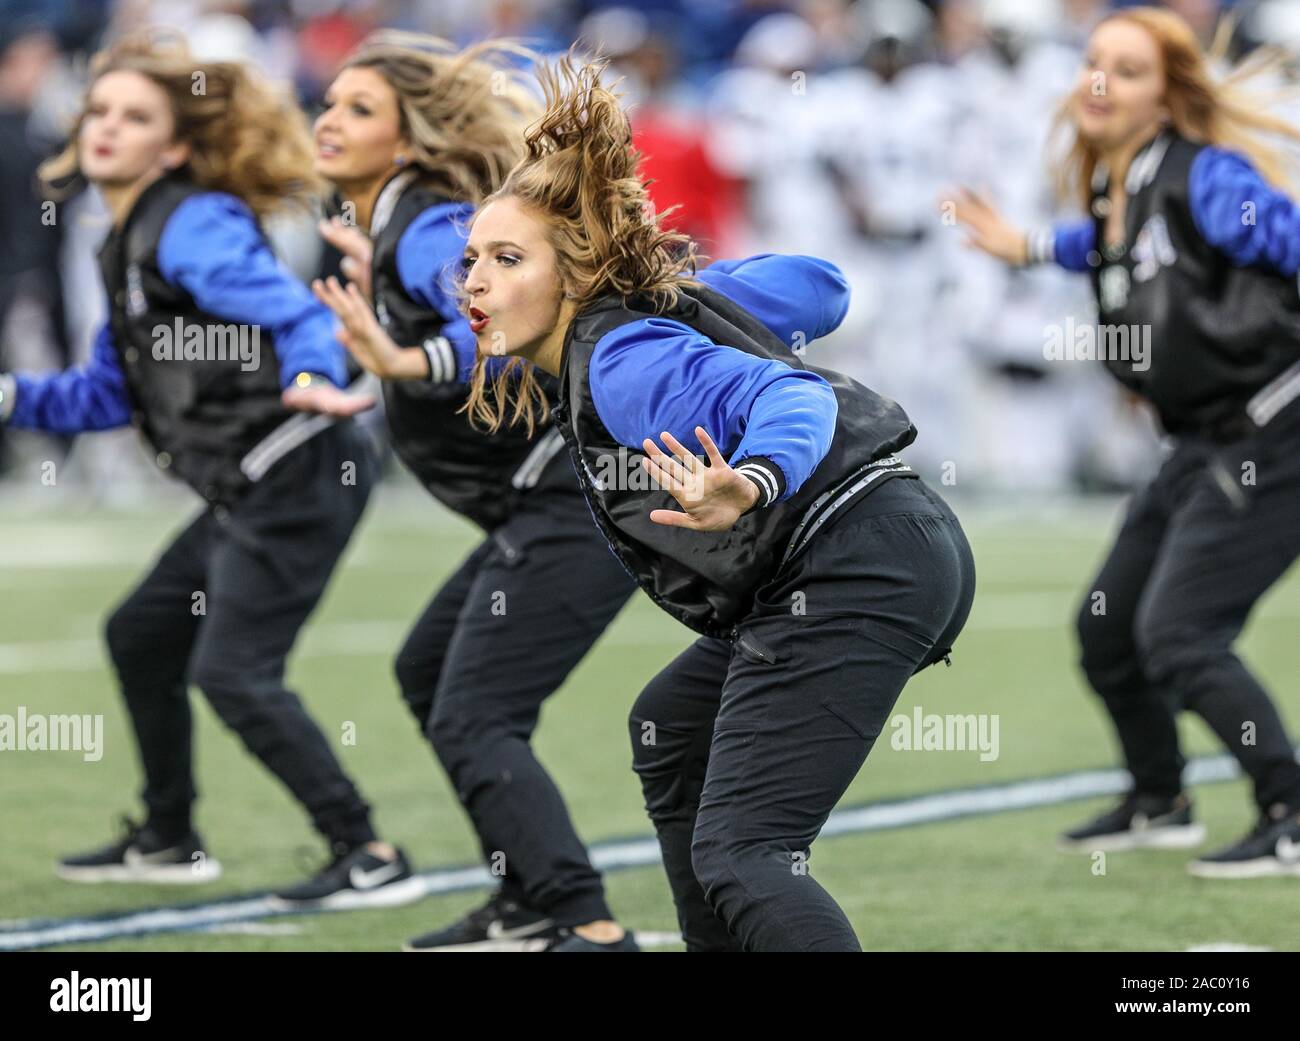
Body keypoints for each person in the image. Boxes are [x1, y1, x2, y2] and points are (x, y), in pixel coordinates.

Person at [460, 55, 976, 951]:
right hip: (882, 545)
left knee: (747, 850)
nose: (475, 281)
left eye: (507, 259)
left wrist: (751, 478)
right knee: (668, 731)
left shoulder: (620, 360)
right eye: (471, 259)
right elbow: (825, 286)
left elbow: (796, 396)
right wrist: (676, 281)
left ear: (576, 271)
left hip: (856, 559)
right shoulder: (650, 316)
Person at [0, 31, 421, 908]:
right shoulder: (122, 240)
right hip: (251, 485)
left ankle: (367, 848)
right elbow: (103, 399)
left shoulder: (192, 223)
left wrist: (314, 371)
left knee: (232, 672)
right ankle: (169, 836)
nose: (108, 127)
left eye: (136, 116)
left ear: (178, 145)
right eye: (101, 111)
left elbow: (296, 315)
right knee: (140, 633)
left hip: (297, 471)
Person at [310, 33, 639, 951]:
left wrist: (405, 358)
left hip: (577, 500)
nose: (331, 118)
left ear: (408, 140)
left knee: (476, 711)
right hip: (541, 505)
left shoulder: (424, 226)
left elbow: (483, 315)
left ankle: (587, 921)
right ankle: (527, 895)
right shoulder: (394, 224)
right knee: (427, 674)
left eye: (360, 108)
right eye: (330, 101)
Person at [953, 6, 1300, 877]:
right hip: (1199, 442)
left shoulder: (1206, 177)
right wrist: (1024, 245)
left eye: (1130, 70)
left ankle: (1289, 809)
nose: (1100, 81)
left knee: (1181, 635)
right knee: (1107, 632)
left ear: (1169, 95)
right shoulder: (1122, 186)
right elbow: (1109, 250)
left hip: (1275, 433)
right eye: (1094, 62)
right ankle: (1161, 799)